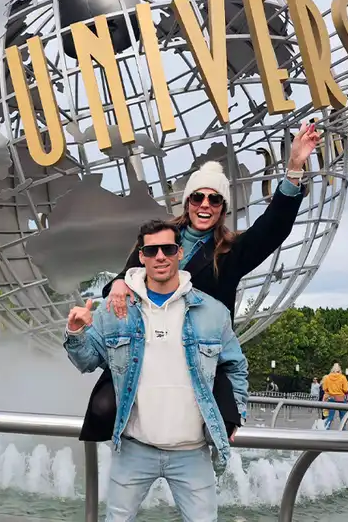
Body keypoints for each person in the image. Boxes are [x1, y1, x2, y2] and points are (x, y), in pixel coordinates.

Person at [80, 120, 321, 449]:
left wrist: (293, 170)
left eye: (214, 199)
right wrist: (119, 284)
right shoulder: (159, 240)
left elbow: (273, 227)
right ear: (187, 202)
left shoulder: (231, 253)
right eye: (198, 197)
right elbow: (125, 278)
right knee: (103, 408)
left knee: (211, 428)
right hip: (148, 351)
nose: (205, 204)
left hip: (197, 361)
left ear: (223, 208)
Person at [64, 219, 248, 521]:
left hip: (192, 453)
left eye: (168, 249)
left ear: (179, 252)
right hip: (134, 450)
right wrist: (75, 332)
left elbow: (236, 366)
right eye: (151, 250)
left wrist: (235, 414)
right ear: (141, 256)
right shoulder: (116, 309)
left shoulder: (213, 312)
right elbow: (86, 361)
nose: (160, 256)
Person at [322, 363, 348, 430]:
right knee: (343, 416)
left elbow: (324, 388)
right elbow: (346, 390)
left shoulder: (327, 377)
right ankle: (343, 429)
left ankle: (326, 428)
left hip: (331, 398)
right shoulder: (343, 377)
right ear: (339, 370)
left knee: (330, 416)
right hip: (340, 399)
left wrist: (331, 390)